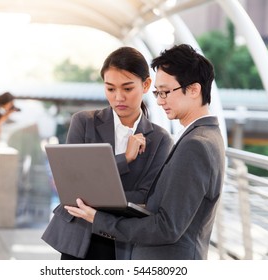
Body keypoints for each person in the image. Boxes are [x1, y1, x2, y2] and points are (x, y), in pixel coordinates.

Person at [65, 44, 226, 260]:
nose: (159, 101)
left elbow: (166, 226)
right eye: (158, 93)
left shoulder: (195, 144)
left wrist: (99, 218)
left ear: (194, 89)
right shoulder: (204, 137)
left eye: (166, 92)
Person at [41, 47, 173, 260]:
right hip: (79, 236)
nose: (118, 97)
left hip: (121, 241)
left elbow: (146, 196)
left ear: (146, 85)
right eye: (110, 89)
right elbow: (72, 185)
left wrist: (92, 199)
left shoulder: (160, 140)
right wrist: (124, 159)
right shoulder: (84, 123)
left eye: (127, 88)